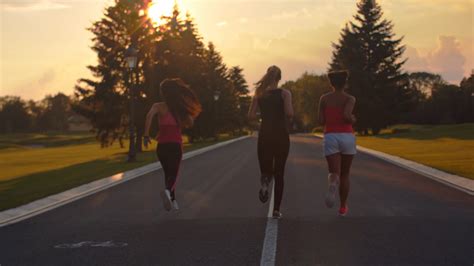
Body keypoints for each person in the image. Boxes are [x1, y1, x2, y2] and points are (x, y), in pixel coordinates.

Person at [144, 78, 201, 211]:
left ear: (163, 93)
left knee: (167, 173)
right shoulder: (179, 109)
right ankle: (168, 192)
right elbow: (190, 123)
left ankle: (172, 200)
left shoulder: (158, 106)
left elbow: (148, 116)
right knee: (173, 174)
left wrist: (146, 135)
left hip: (162, 146)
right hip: (175, 145)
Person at [248, 66, 294, 219]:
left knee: (265, 169)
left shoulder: (259, 93)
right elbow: (289, 113)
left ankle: (264, 184)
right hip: (281, 135)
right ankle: (276, 210)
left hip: (265, 134)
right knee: (279, 173)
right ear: (279, 78)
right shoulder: (285, 93)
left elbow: (251, 115)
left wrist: (264, 114)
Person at [318, 70, 356, 217]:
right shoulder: (350, 98)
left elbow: (320, 121)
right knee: (345, 174)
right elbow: (347, 115)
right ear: (345, 83)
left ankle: (333, 183)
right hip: (347, 136)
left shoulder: (324, 99)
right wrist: (353, 119)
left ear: (331, 83)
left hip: (331, 136)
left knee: (334, 172)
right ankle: (342, 207)